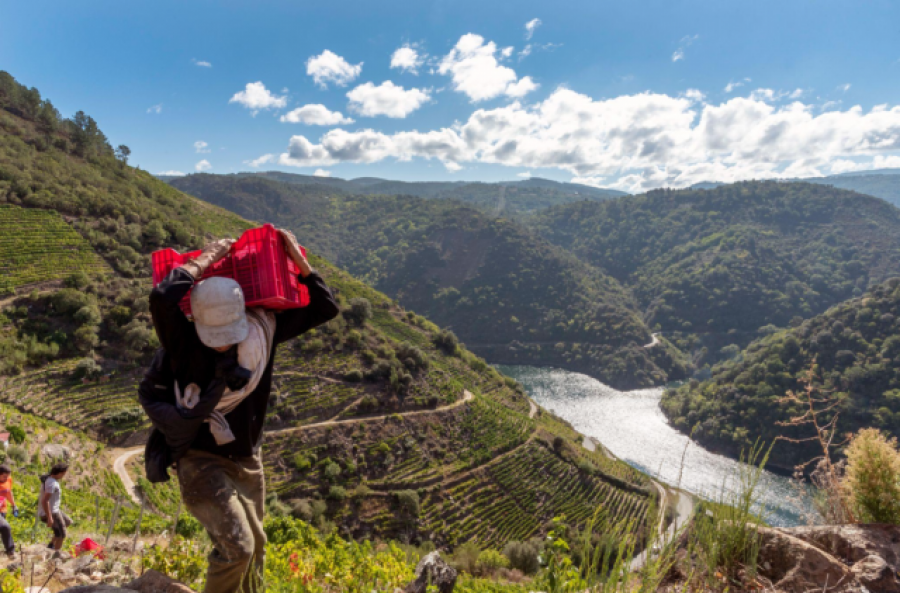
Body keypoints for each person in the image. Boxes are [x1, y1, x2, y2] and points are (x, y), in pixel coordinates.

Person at [139, 228, 339, 593]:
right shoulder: (182, 343)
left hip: (247, 460)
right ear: (196, 323)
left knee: (257, 549)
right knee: (239, 548)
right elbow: (160, 298)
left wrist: (301, 264)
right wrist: (204, 261)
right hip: (199, 460)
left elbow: (325, 307)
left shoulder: (261, 332)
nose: (223, 344)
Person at [38, 463, 71, 551]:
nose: (63, 476)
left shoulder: (50, 480)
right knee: (62, 534)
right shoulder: (51, 483)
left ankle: (51, 544)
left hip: (55, 510)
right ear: (59, 473)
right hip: (52, 512)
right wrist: (49, 518)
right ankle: (56, 555)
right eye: (63, 474)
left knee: (67, 522)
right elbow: (45, 500)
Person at [0, 465, 17, 558]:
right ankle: (11, 552)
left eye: (7, 476)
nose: (6, 478)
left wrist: (14, 505)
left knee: (3, 529)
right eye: (4, 476)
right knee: (5, 527)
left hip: (3, 510)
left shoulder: (8, 480)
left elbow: (8, 492)